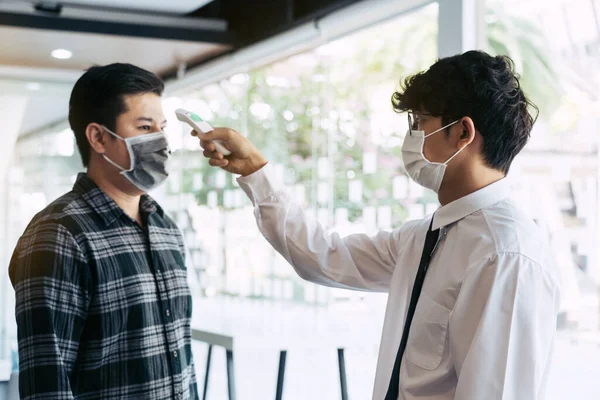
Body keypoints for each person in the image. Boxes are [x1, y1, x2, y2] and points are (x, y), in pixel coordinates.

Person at [198, 50, 560, 399]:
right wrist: (255, 171)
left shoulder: (506, 254)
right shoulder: (425, 237)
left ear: (462, 133)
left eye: (420, 123)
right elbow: (324, 256)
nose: (411, 137)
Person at [9, 64, 198, 399]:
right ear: (98, 137)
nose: (162, 142)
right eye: (144, 127)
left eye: (162, 128)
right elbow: (47, 382)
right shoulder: (58, 234)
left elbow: (181, 360)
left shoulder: (165, 227)